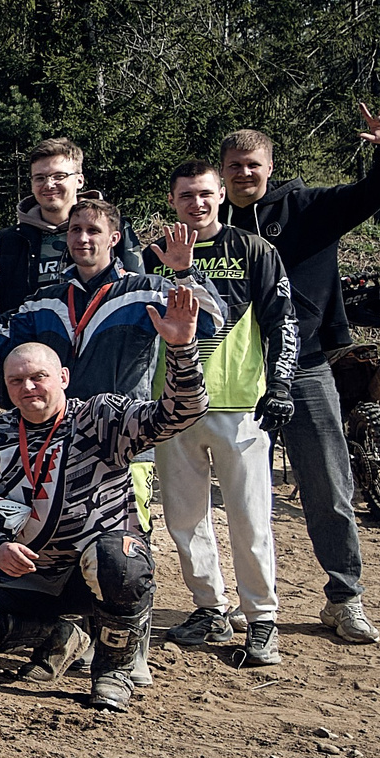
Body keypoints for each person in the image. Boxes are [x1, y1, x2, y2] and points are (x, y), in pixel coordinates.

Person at [0, 289, 208, 712]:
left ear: (64, 378)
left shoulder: (102, 418)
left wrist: (181, 349)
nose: (28, 387)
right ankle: (57, 633)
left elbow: (182, 412)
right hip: (30, 573)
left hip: (98, 570)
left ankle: (113, 670)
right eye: (16, 381)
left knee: (119, 559)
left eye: (39, 377)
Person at [217, 106, 380, 645]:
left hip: (304, 366)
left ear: (270, 167)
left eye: (253, 165)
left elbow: (373, 193)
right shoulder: (210, 222)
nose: (244, 174)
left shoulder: (308, 208)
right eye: (234, 166)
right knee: (239, 496)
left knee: (327, 485)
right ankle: (237, 602)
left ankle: (345, 598)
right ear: (222, 170)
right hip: (232, 375)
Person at [152, 160, 300, 665]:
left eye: (205, 194)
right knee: (184, 518)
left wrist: (281, 384)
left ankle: (261, 618)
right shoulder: (154, 255)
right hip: (174, 405)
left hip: (240, 405)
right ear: (172, 201)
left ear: (221, 195)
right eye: (186, 195)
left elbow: (283, 322)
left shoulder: (254, 250)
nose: (196, 203)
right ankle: (209, 608)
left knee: (249, 518)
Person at [0, 200, 223, 401]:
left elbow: (210, 321)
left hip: (126, 429)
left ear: (114, 239)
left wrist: (185, 272)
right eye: (75, 230)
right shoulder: (45, 301)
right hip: (64, 429)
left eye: (93, 231)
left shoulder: (145, 292)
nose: (82, 238)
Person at [0, 137, 143, 322]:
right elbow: (0, 307)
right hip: (32, 336)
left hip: (100, 333)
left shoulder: (115, 228)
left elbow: (137, 293)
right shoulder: (13, 238)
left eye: (59, 176)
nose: (49, 185)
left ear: (80, 180)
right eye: (40, 178)